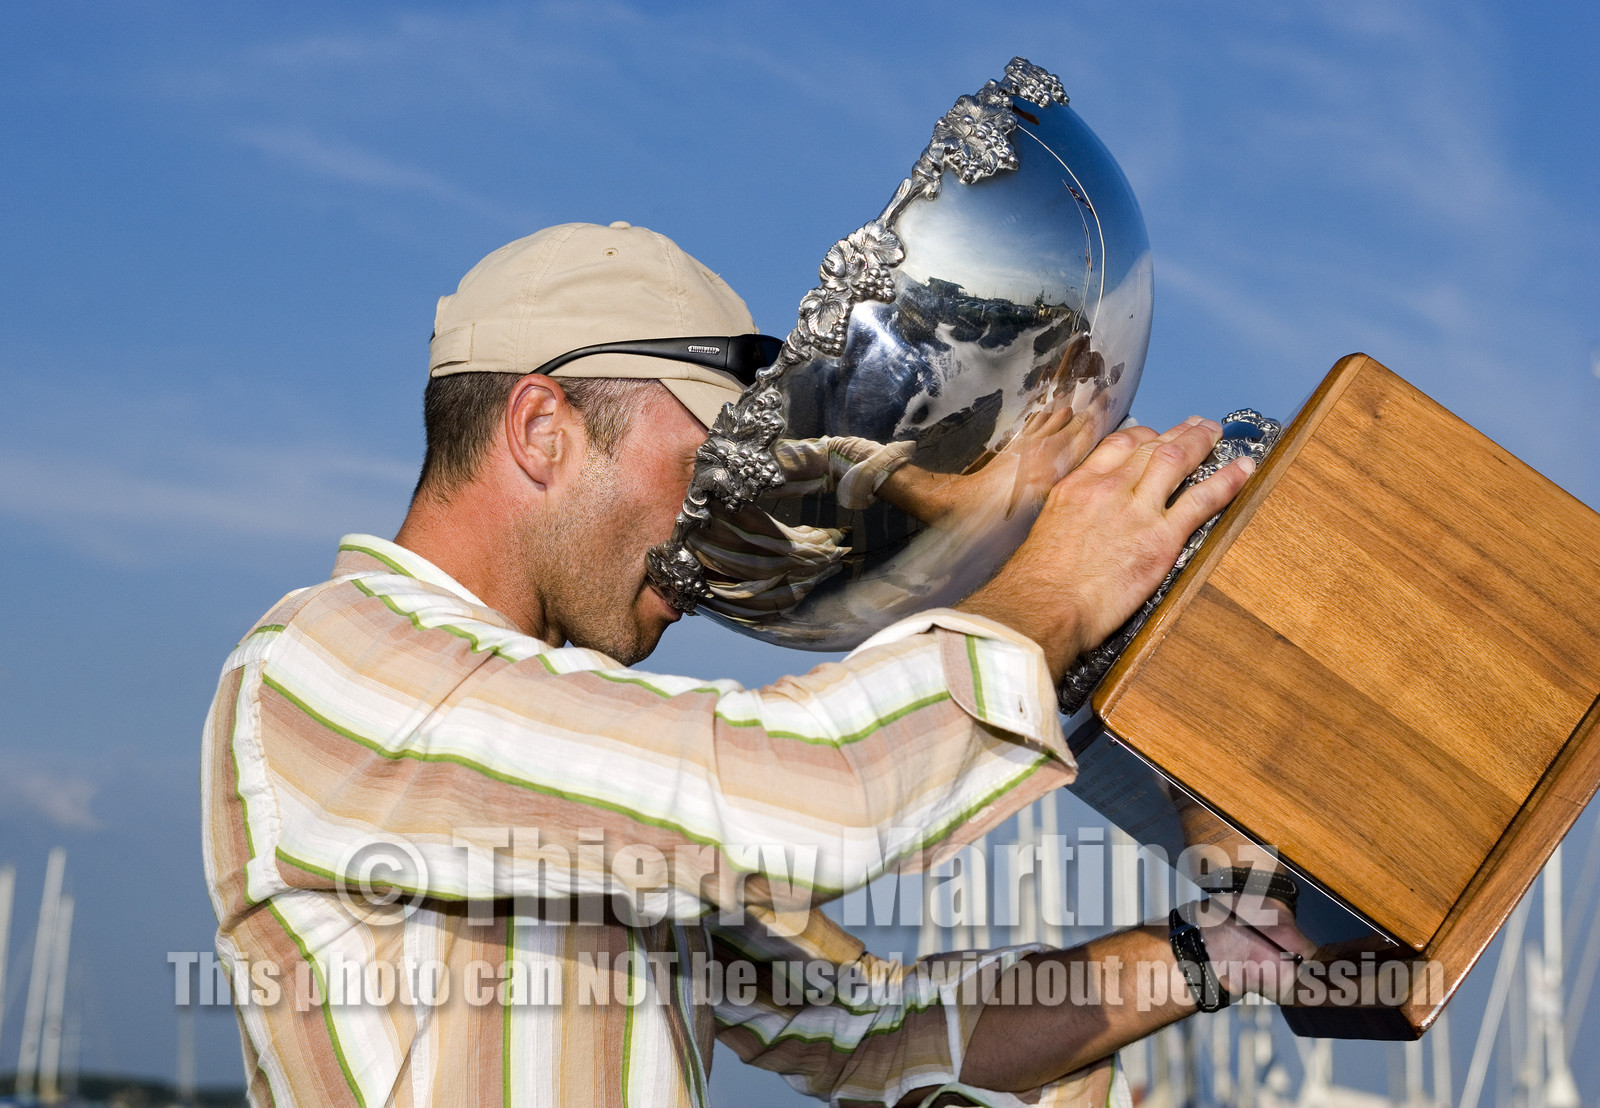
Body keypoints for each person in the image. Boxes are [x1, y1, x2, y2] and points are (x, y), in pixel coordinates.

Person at [202, 221, 1307, 1108]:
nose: (716, 540)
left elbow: (864, 1027)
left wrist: (1212, 951)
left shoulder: (574, 755)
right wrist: (1054, 592)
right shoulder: (326, 665)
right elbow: (817, 795)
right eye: (703, 478)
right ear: (541, 430)